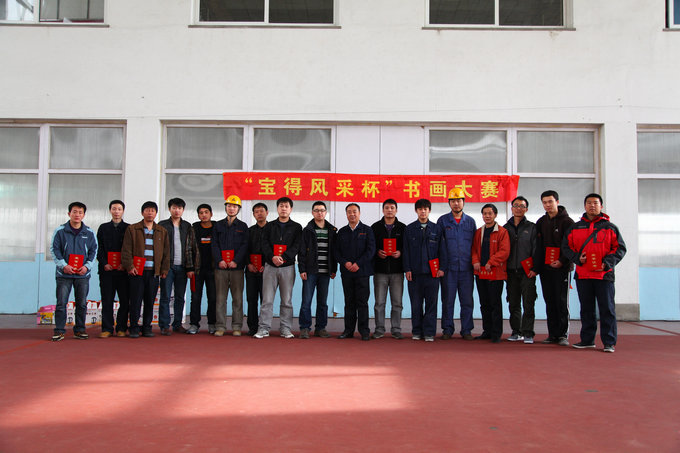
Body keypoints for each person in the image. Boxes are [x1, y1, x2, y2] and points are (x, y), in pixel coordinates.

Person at [562, 194, 626, 353]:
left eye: (595, 203)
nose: (592, 205)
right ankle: (587, 340)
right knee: (586, 309)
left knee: (607, 309)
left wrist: (607, 263)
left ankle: (609, 342)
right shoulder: (575, 228)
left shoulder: (610, 227)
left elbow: (620, 248)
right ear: (585, 206)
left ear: (601, 206)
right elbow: (566, 247)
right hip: (583, 275)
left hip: (604, 275)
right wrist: (577, 258)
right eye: (589, 203)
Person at [255, 197, 302, 339]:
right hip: (270, 266)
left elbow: (296, 246)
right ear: (277, 208)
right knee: (267, 300)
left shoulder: (296, 227)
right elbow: (264, 244)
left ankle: (285, 328)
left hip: (288, 267)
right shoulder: (269, 226)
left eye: (286, 206)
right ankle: (263, 328)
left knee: (286, 300)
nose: (283, 209)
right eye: (281, 206)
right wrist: (272, 257)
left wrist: (284, 257)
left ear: (291, 209)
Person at [50, 202, 98, 341]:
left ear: (84, 215)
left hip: (82, 275)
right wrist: (64, 265)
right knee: (61, 303)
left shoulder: (89, 232)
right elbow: (55, 249)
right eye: (74, 212)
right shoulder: (60, 231)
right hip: (64, 274)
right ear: (69, 213)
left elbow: (94, 251)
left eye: (80, 212)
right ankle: (59, 331)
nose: (77, 215)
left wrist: (87, 267)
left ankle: (80, 330)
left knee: (81, 303)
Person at [121, 201, 170, 338]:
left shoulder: (162, 231)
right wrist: (130, 266)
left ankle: (147, 327)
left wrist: (164, 269)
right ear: (142, 212)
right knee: (135, 301)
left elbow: (166, 253)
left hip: (153, 272)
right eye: (147, 210)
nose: (150, 213)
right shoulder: (132, 229)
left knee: (150, 301)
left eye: (153, 211)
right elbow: (126, 250)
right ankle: (134, 327)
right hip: (137, 272)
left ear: (156, 213)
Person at [402, 199, 446, 342]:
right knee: (416, 304)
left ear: (429, 211)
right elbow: (406, 251)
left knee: (431, 305)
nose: (423, 211)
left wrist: (442, 268)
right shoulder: (409, 229)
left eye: (425, 209)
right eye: (420, 209)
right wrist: (407, 269)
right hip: (414, 274)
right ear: (416, 211)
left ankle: (429, 332)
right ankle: (416, 331)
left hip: (432, 274)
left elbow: (442, 250)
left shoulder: (437, 229)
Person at [535, 190, 574, 346]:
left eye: (550, 201)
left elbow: (571, 245)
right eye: (544, 202)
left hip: (562, 269)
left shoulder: (568, 222)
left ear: (557, 202)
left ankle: (563, 335)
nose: (547, 205)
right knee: (549, 301)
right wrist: (537, 267)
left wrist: (562, 261)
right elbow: (538, 246)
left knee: (561, 301)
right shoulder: (541, 222)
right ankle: (552, 334)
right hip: (546, 269)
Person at [437, 188, 477, 340]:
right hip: (449, 269)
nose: (456, 203)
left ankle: (466, 330)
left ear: (464, 202)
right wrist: (441, 267)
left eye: (459, 200)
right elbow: (439, 246)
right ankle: (447, 329)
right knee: (447, 301)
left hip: (466, 269)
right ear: (449, 203)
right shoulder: (442, 221)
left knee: (467, 301)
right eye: (453, 201)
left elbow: (475, 246)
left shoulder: (470, 222)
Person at [335, 203, 376, 341]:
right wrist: (344, 262)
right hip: (347, 272)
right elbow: (336, 252)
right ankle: (348, 330)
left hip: (362, 272)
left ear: (359, 213)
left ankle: (364, 331)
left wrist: (359, 263)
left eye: (354, 211)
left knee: (362, 302)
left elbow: (371, 250)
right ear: (346, 214)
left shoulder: (367, 230)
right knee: (349, 302)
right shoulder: (342, 232)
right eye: (349, 212)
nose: (352, 214)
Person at [298, 201, 338, 339]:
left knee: (322, 302)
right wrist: (302, 269)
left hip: (325, 272)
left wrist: (334, 269)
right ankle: (304, 328)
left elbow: (334, 252)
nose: (319, 213)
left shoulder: (332, 230)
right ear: (312, 213)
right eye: (316, 210)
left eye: (322, 210)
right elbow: (302, 251)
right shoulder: (307, 230)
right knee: (306, 301)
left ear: (326, 212)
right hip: (310, 271)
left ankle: (321, 328)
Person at [471, 204, 510, 343]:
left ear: (495, 215)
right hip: (481, 273)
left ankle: (496, 333)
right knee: (484, 303)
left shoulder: (502, 232)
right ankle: (486, 331)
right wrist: (475, 261)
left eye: (490, 213)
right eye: (485, 213)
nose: (487, 216)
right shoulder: (478, 232)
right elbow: (474, 250)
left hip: (495, 273)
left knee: (495, 303)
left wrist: (491, 262)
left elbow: (504, 251)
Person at [158, 198, 198, 335]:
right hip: (167, 267)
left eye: (179, 208)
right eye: (174, 208)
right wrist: (161, 267)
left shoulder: (187, 226)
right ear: (169, 209)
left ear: (183, 210)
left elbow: (191, 247)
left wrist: (190, 267)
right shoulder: (162, 225)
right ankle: (164, 325)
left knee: (180, 297)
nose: (177, 211)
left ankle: (177, 324)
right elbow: (159, 248)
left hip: (182, 266)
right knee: (165, 296)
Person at [211, 195, 249, 337]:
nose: (231, 208)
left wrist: (236, 261)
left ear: (238, 209)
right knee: (220, 298)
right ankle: (220, 326)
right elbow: (214, 244)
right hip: (220, 268)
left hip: (237, 268)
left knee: (237, 299)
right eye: (229, 206)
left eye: (234, 206)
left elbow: (245, 246)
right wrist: (219, 260)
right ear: (226, 207)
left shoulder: (243, 227)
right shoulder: (218, 225)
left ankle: (237, 326)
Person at [503, 196, 539, 344]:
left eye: (522, 206)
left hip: (527, 272)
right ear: (511, 208)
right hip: (511, 271)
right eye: (516, 206)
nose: (518, 208)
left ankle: (528, 332)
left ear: (526, 209)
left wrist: (535, 268)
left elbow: (536, 249)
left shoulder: (532, 227)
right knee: (513, 302)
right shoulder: (505, 228)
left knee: (528, 302)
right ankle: (516, 331)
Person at [370, 199, 406, 339]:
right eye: (387, 208)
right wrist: (377, 252)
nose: (389, 210)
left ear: (396, 210)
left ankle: (396, 329)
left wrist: (400, 252)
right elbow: (370, 247)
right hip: (380, 271)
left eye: (392, 208)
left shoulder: (403, 228)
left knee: (397, 303)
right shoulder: (375, 227)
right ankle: (379, 329)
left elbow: (407, 247)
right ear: (383, 210)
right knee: (379, 303)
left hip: (397, 271)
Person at [96, 200, 130, 338]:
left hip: (123, 272)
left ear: (123, 211)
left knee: (125, 300)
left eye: (119, 209)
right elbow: (99, 248)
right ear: (110, 210)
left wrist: (125, 264)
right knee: (107, 300)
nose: (116, 211)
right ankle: (107, 328)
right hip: (107, 271)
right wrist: (104, 263)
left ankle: (121, 328)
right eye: (114, 209)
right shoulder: (103, 228)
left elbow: (130, 249)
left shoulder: (129, 228)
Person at [188, 203, 216, 335]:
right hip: (197, 270)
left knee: (213, 297)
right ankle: (194, 324)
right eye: (201, 213)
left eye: (206, 212)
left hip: (213, 270)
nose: (203, 215)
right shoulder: (194, 228)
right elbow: (188, 249)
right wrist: (190, 267)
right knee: (195, 298)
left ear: (211, 214)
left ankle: (212, 324)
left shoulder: (216, 227)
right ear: (198, 215)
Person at [245, 202, 268, 336]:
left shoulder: (272, 230)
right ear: (253, 214)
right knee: (251, 299)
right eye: (256, 212)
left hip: (267, 270)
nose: (259, 214)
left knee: (266, 300)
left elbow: (273, 249)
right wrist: (248, 264)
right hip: (251, 270)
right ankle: (252, 327)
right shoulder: (249, 231)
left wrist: (267, 265)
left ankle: (264, 326)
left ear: (267, 213)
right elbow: (245, 249)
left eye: (262, 211)